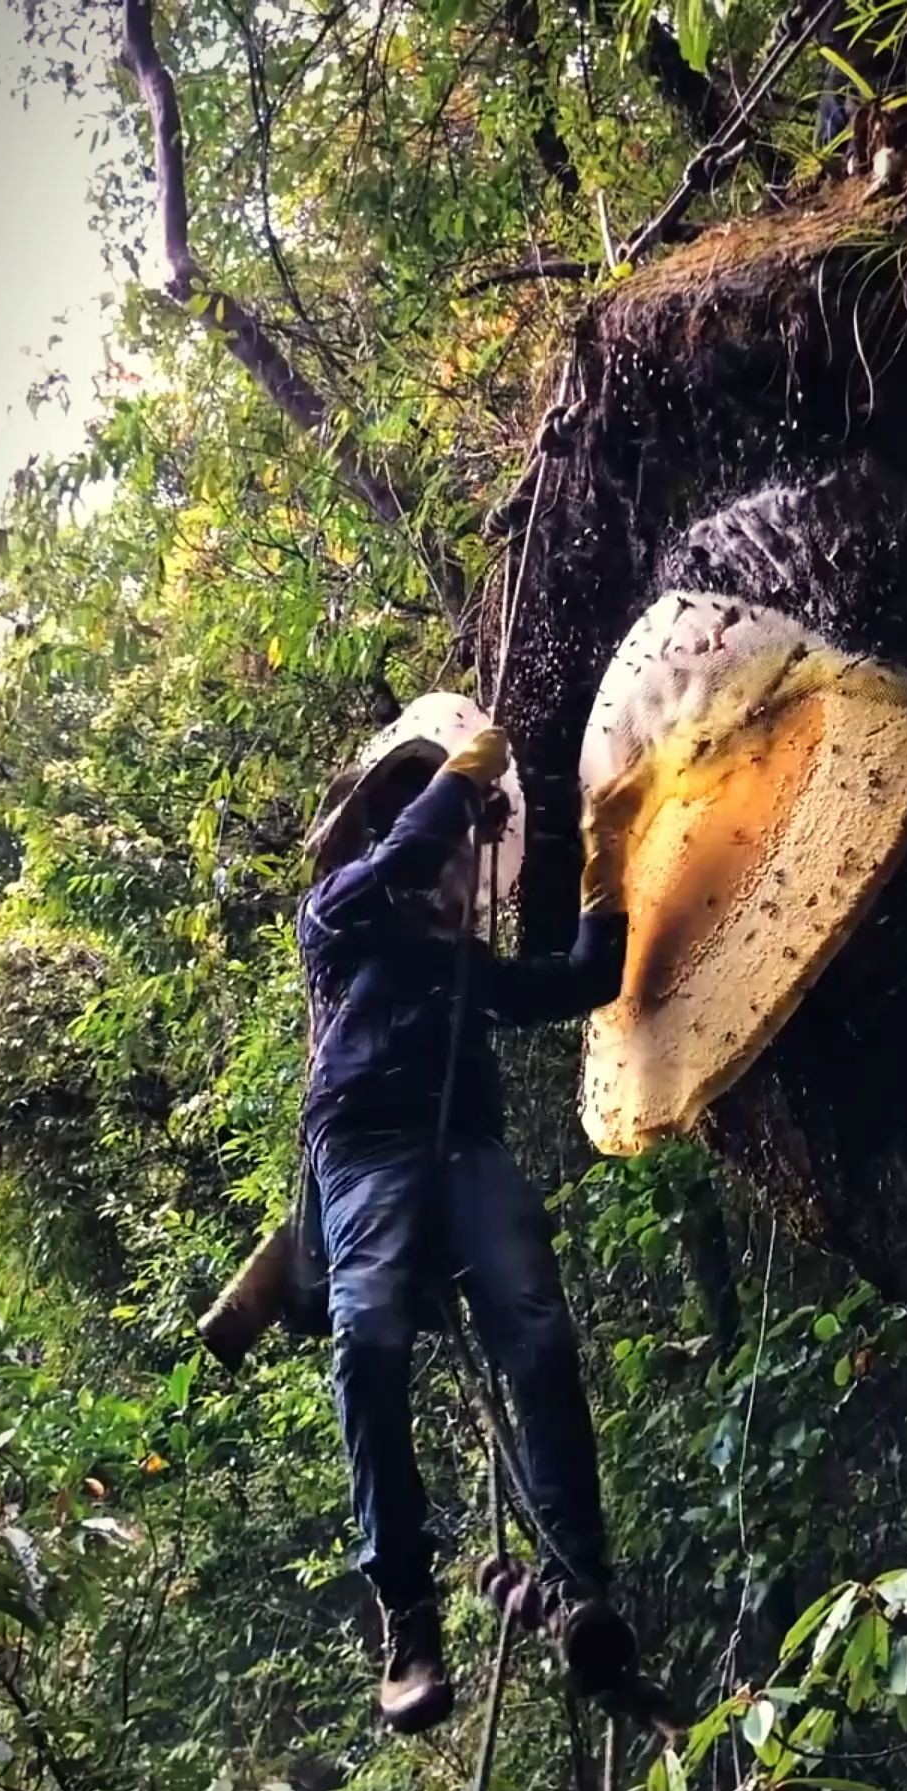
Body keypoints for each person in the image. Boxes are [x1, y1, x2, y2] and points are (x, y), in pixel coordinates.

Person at [298, 723, 636, 1734]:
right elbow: (398, 854)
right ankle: (407, 1610)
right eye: (437, 841)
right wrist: (457, 780)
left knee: (535, 1327)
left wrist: (605, 878)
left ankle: (581, 1587)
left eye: (462, 846)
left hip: (466, 1156)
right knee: (370, 1334)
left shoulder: (469, 971)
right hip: (364, 1147)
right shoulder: (341, 915)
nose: (448, 862)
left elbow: (586, 980)